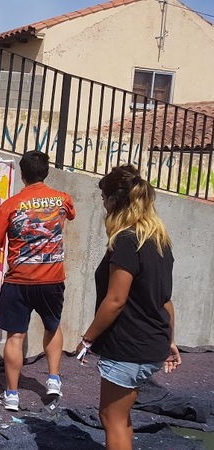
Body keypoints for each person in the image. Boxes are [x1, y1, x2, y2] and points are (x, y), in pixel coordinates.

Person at [76, 165, 180, 450]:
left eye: (103, 199)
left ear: (114, 201)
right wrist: (170, 340)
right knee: (120, 417)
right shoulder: (160, 242)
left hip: (128, 347)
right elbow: (165, 299)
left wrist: (87, 338)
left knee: (112, 417)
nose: (102, 206)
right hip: (151, 344)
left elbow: (115, 300)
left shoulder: (126, 240)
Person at [0, 150, 76, 412]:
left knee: (15, 336)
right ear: (46, 172)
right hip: (52, 278)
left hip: (19, 281)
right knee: (52, 326)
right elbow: (70, 214)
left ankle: (12, 394)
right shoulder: (62, 200)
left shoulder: (10, 206)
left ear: (22, 175)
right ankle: (53, 379)